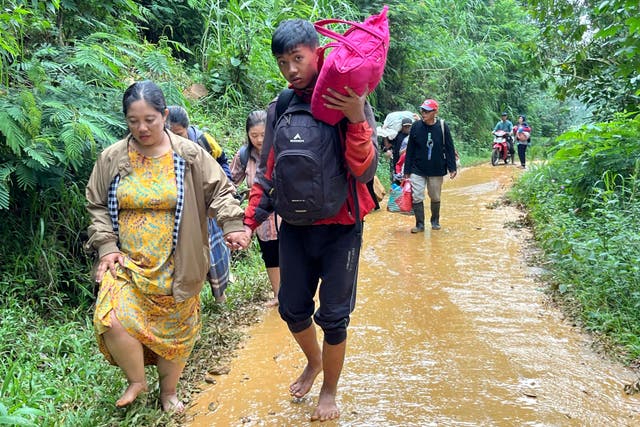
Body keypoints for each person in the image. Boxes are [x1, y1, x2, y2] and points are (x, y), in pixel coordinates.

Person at [242, 19, 377, 421]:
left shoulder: (346, 96)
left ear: (317, 53)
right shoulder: (281, 106)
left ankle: (329, 390)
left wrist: (355, 117)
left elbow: (365, 171)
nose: (291, 70)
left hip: (342, 227)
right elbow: (269, 172)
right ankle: (313, 362)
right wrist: (249, 224)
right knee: (292, 309)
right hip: (296, 227)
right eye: (283, 63)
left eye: (297, 58)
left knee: (334, 318)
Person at [85, 80, 249, 412]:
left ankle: (168, 392)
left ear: (165, 115)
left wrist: (232, 225)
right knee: (110, 316)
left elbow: (220, 190)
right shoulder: (113, 157)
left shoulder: (189, 155)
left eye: (150, 119)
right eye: (133, 121)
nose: (142, 128)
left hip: (178, 261)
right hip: (127, 264)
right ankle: (137, 379)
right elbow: (96, 203)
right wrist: (106, 246)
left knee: (176, 333)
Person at [167, 105, 233, 303]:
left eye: (179, 133)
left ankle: (220, 295)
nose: (175, 138)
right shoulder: (160, 148)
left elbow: (222, 161)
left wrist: (224, 184)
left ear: (187, 128)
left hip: (207, 206)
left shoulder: (203, 140)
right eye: (170, 134)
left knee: (215, 250)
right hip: (181, 211)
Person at [230, 110, 281, 307]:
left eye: (263, 135)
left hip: (285, 214)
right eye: (254, 135)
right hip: (260, 217)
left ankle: (294, 295)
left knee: (290, 253)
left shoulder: (281, 150)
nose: (259, 140)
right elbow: (230, 181)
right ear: (248, 135)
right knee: (270, 254)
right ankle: (278, 295)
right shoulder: (244, 156)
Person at [403, 98, 457, 232]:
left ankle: (435, 221)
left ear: (435, 112)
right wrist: (407, 169)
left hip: (437, 168)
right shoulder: (416, 126)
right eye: (422, 110)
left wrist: (452, 168)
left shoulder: (443, 127)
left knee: (435, 196)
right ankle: (420, 224)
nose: (423, 113)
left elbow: (449, 148)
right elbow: (410, 149)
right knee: (417, 196)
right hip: (418, 168)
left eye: (427, 111)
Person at [382, 117, 412, 184]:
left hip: (409, 164)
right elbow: (387, 146)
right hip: (397, 163)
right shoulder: (396, 135)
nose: (407, 128)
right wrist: (384, 133)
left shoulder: (413, 136)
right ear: (402, 126)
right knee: (397, 183)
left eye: (409, 126)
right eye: (405, 126)